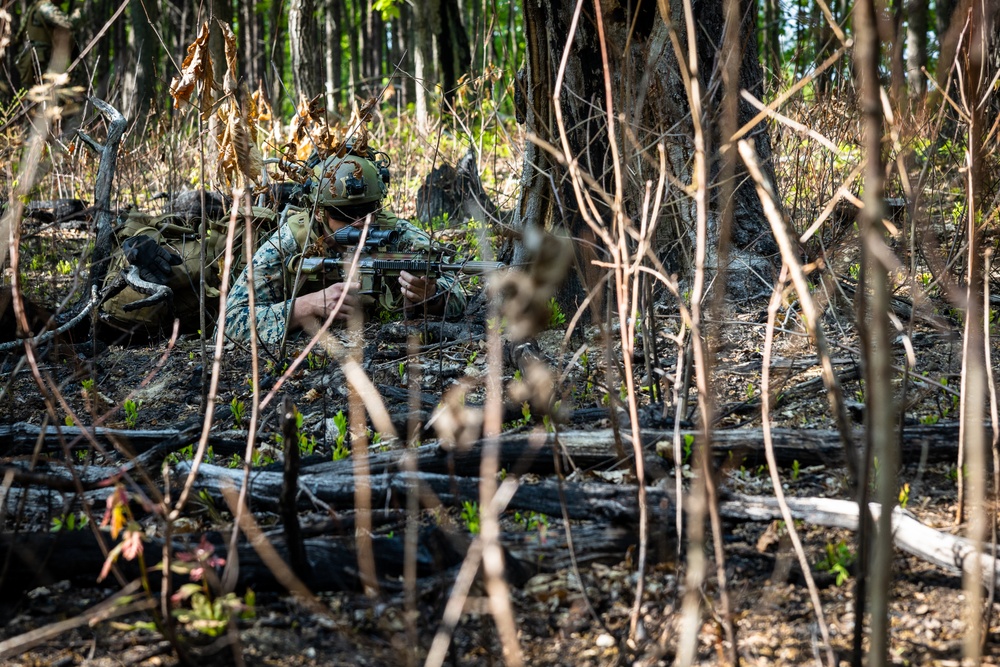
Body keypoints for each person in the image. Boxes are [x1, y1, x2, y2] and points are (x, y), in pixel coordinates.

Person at [223, 151, 466, 347]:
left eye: (368, 211)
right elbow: (228, 326)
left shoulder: (398, 235)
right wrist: (308, 305)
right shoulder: (290, 243)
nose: (359, 223)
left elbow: (458, 293)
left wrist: (432, 296)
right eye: (344, 215)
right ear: (319, 212)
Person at [16, 0, 82, 90]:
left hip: (34, 59)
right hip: (42, 60)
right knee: (52, 93)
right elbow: (67, 24)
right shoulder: (45, 7)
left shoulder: (35, 6)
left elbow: (18, 36)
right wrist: (78, 12)